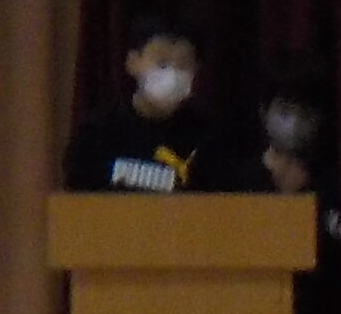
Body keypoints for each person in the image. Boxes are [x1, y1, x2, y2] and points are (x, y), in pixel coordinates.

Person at [255, 61, 341, 314]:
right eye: (285, 109)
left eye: (305, 112)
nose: (294, 122)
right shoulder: (238, 180)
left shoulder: (334, 187)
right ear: (265, 112)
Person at [63, 13, 238, 193]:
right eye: (161, 63)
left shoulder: (209, 138)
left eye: (183, 65)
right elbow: (78, 195)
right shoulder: (97, 133)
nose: (171, 74)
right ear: (132, 62)